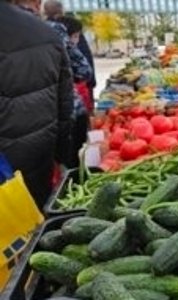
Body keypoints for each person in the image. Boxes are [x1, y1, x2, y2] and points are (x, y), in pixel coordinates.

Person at [0, 0, 74, 207]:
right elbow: (65, 105)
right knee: (32, 228)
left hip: (5, 168)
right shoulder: (46, 33)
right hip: (38, 161)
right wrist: (61, 156)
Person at [44, 0, 96, 103]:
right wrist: (91, 83)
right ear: (62, 11)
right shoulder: (67, 29)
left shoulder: (39, 30)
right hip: (71, 92)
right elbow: (85, 67)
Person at [58, 15, 91, 168]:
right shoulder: (62, 41)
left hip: (43, 116)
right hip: (69, 110)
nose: (77, 39)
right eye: (76, 36)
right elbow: (85, 71)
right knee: (72, 157)